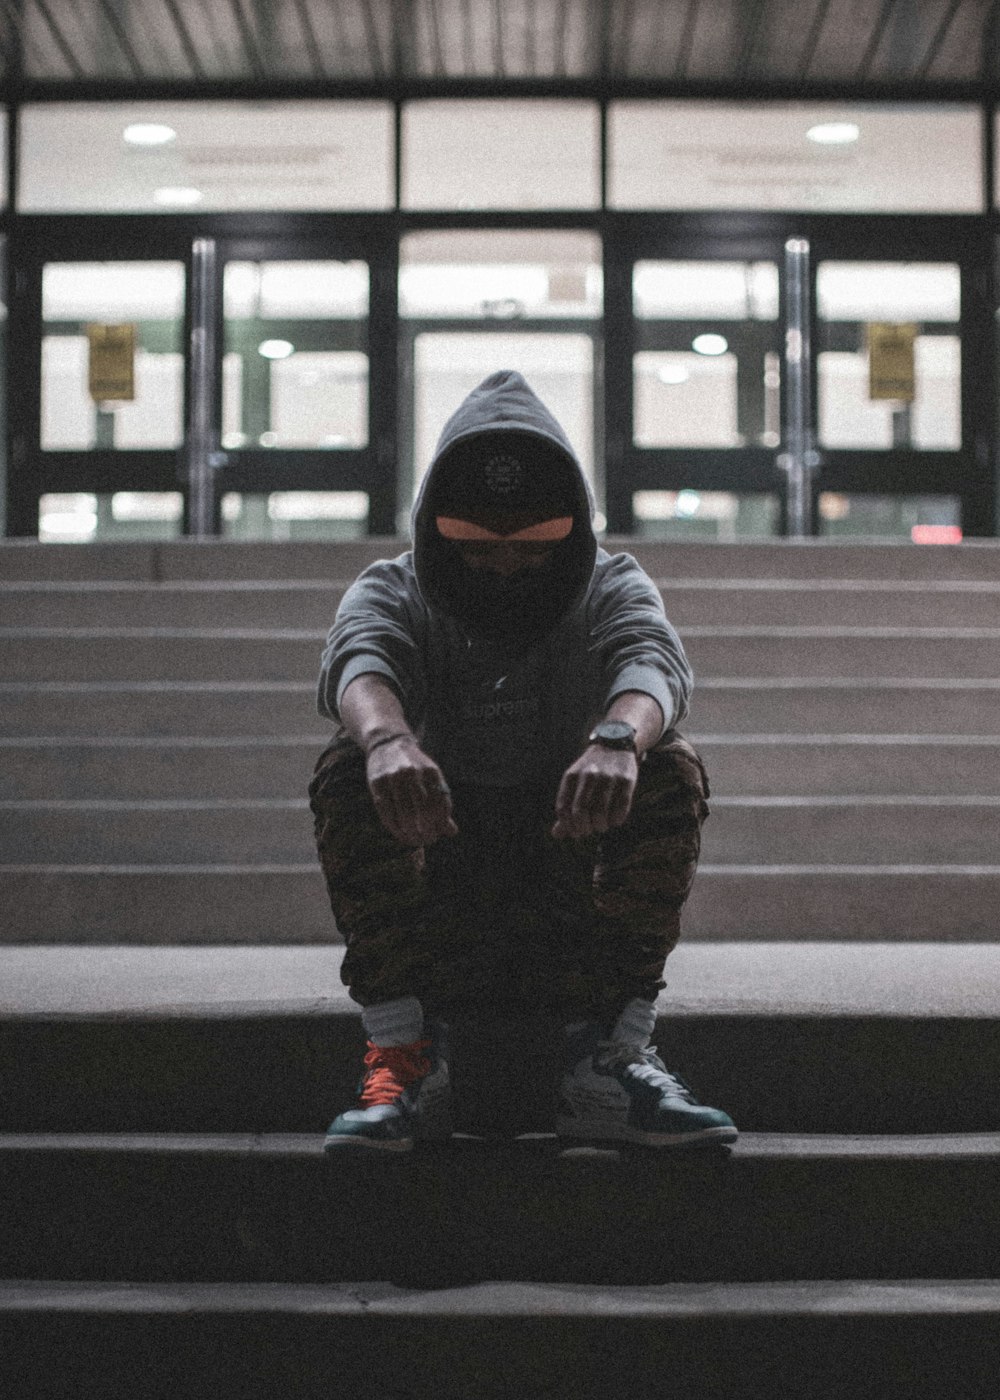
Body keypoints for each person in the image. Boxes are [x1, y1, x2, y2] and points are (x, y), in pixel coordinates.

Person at [309, 370, 736, 1153]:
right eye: (477, 547)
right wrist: (388, 741)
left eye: (531, 548)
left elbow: (652, 660)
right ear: (438, 531)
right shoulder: (393, 587)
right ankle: (403, 1055)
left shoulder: (611, 582)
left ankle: (611, 1058)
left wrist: (617, 740)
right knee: (348, 765)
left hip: (563, 876)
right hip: (447, 879)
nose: (504, 568)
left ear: (569, 530)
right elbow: (359, 658)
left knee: (667, 764)